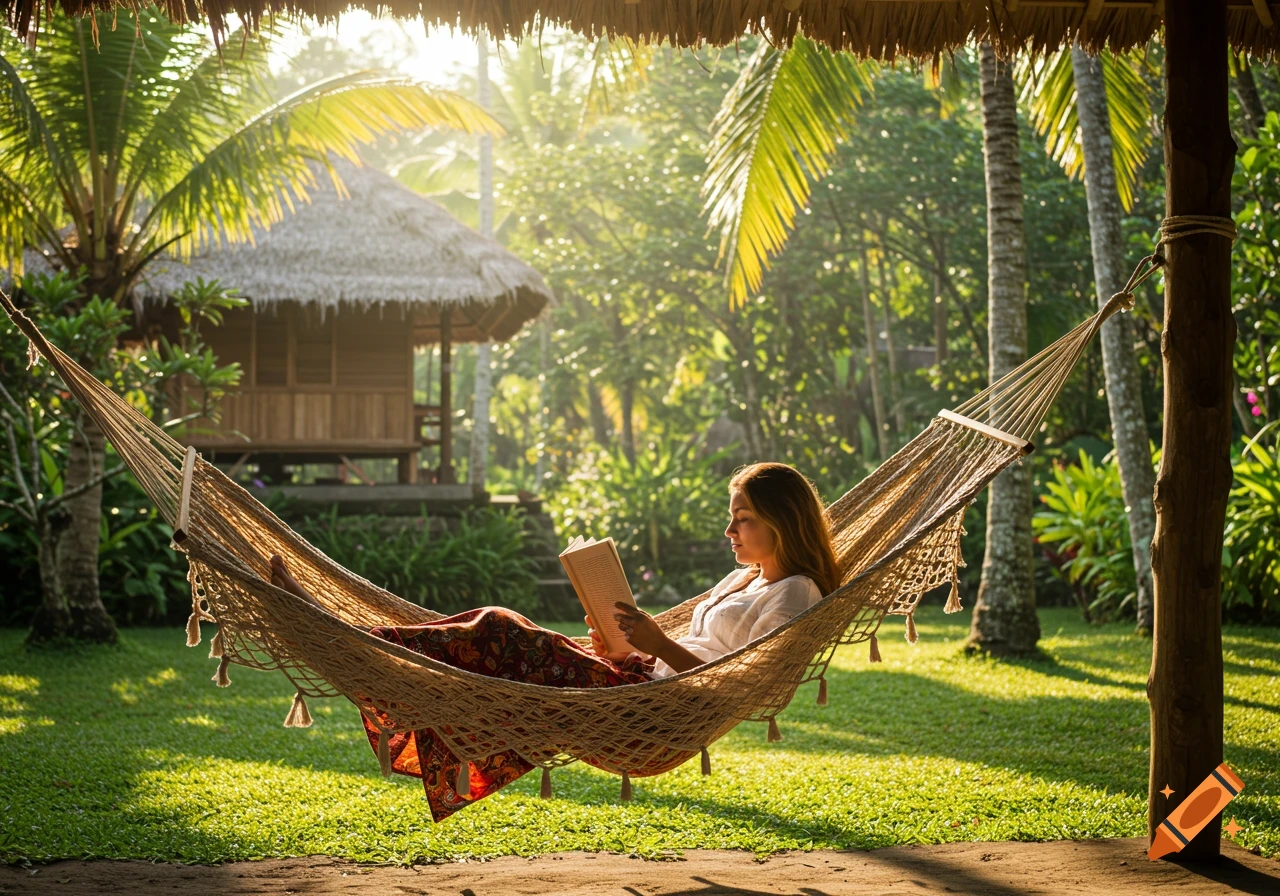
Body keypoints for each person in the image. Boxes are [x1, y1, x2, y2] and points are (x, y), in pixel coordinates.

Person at [267, 462, 840, 822]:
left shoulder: (794, 595)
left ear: (780, 522)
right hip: (637, 684)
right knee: (499, 639)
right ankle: (346, 637)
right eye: (731, 518)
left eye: (741, 520)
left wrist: (656, 643)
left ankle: (338, 634)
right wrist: (624, 646)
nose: (729, 531)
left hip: (656, 715)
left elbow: (745, 683)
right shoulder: (745, 578)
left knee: (499, 630)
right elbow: (691, 649)